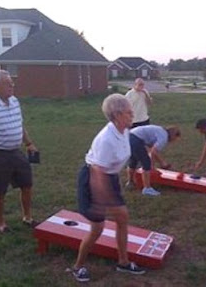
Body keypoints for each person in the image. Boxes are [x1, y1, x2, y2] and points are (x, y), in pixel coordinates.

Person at [72, 94, 145, 283]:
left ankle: (123, 262)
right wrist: (100, 202)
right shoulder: (106, 139)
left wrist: (116, 185)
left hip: (108, 177)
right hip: (92, 181)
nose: (133, 114)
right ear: (117, 114)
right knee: (98, 228)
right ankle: (78, 267)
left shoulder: (125, 131)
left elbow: (114, 165)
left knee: (122, 217)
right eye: (129, 112)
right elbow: (97, 174)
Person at [0, 69, 38, 233]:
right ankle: (1, 223)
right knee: (0, 190)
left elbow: (19, 124)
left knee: (27, 184)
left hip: (16, 151)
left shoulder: (14, 101)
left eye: (12, 83)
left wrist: (29, 143)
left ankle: (27, 217)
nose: (12, 85)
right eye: (8, 83)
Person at [126, 125, 181, 196]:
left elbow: (152, 151)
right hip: (136, 139)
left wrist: (153, 166)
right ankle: (147, 189)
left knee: (133, 160)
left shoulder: (161, 131)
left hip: (128, 136)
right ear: (173, 135)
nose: (174, 141)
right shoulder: (164, 137)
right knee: (146, 163)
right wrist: (162, 163)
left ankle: (130, 182)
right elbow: (153, 152)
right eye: (175, 139)